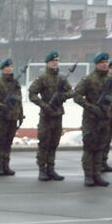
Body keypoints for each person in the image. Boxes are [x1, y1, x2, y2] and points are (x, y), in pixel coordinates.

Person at [28, 51, 74, 181]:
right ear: (47, 63)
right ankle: (42, 170)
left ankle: (51, 169)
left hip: (58, 115)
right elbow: (32, 94)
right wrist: (44, 105)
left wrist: (62, 97)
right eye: (52, 61)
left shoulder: (62, 78)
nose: (55, 63)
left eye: (57, 60)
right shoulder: (42, 79)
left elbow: (71, 91)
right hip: (46, 116)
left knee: (54, 143)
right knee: (44, 143)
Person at [73, 52, 112, 187]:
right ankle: (88, 176)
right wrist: (90, 107)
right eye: (102, 62)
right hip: (91, 119)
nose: (105, 64)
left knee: (100, 148)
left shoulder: (110, 79)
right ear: (96, 64)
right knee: (90, 149)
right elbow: (76, 96)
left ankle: (97, 175)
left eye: (106, 62)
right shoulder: (88, 80)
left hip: (104, 119)